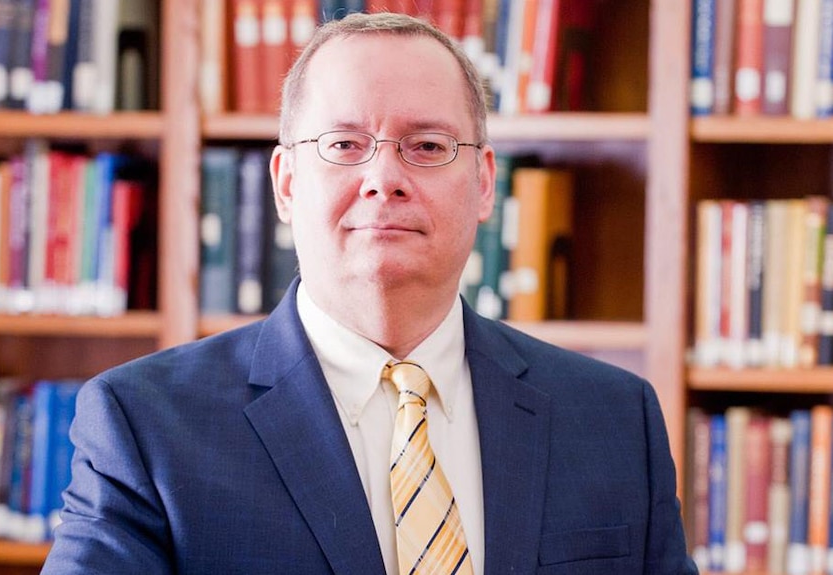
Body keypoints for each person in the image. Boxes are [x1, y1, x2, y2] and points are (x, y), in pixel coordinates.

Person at [42, 11, 697, 575]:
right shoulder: (145, 425)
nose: (384, 177)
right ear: (287, 182)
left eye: (428, 145)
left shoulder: (615, 418)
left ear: (485, 181)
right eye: (345, 144)